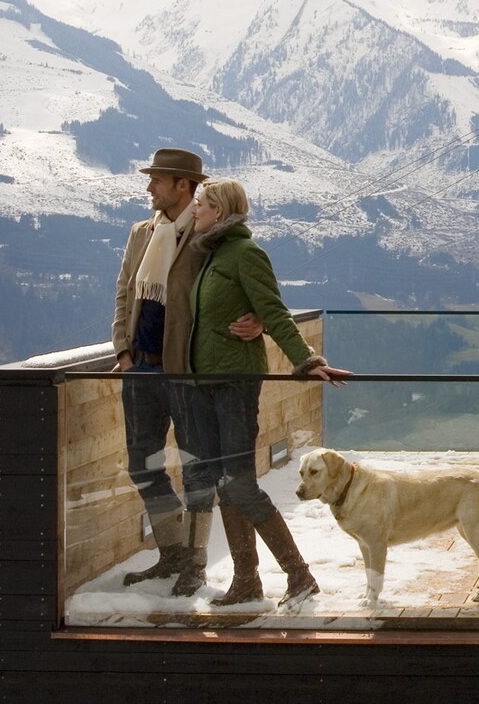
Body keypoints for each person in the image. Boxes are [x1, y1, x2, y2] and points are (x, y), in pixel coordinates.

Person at [175, 176, 351, 605]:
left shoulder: (245, 254)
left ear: (219, 211)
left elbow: (274, 311)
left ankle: (299, 575)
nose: (194, 209)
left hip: (235, 385)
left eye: (201, 203)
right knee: (224, 483)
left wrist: (307, 361)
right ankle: (247, 581)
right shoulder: (213, 255)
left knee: (239, 485)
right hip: (207, 385)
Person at [110, 147, 264, 592]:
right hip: (141, 367)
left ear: (184, 185)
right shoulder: (142, 233)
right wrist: (124, 351)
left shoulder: (207, 235)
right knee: (143, 464)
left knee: (198, 467)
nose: (148, 187)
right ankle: (172, 554)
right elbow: (124, 292)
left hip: (188, 370)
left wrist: (256, 320)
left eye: (157, 179)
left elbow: (243, 284)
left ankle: (194, 564)